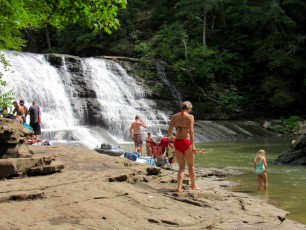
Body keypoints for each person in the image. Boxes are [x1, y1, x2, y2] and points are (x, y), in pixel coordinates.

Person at [168, 101, 198, 192]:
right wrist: (193, 146)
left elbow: (169, 131)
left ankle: (179, 187)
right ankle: (193, 186)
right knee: (191, 165)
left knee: (181, 167)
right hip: (186, 142)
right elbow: (191, 132)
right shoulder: (190, 117)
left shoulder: (175, 116)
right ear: (189, 108)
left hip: (177, 142)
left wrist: (173, 137)